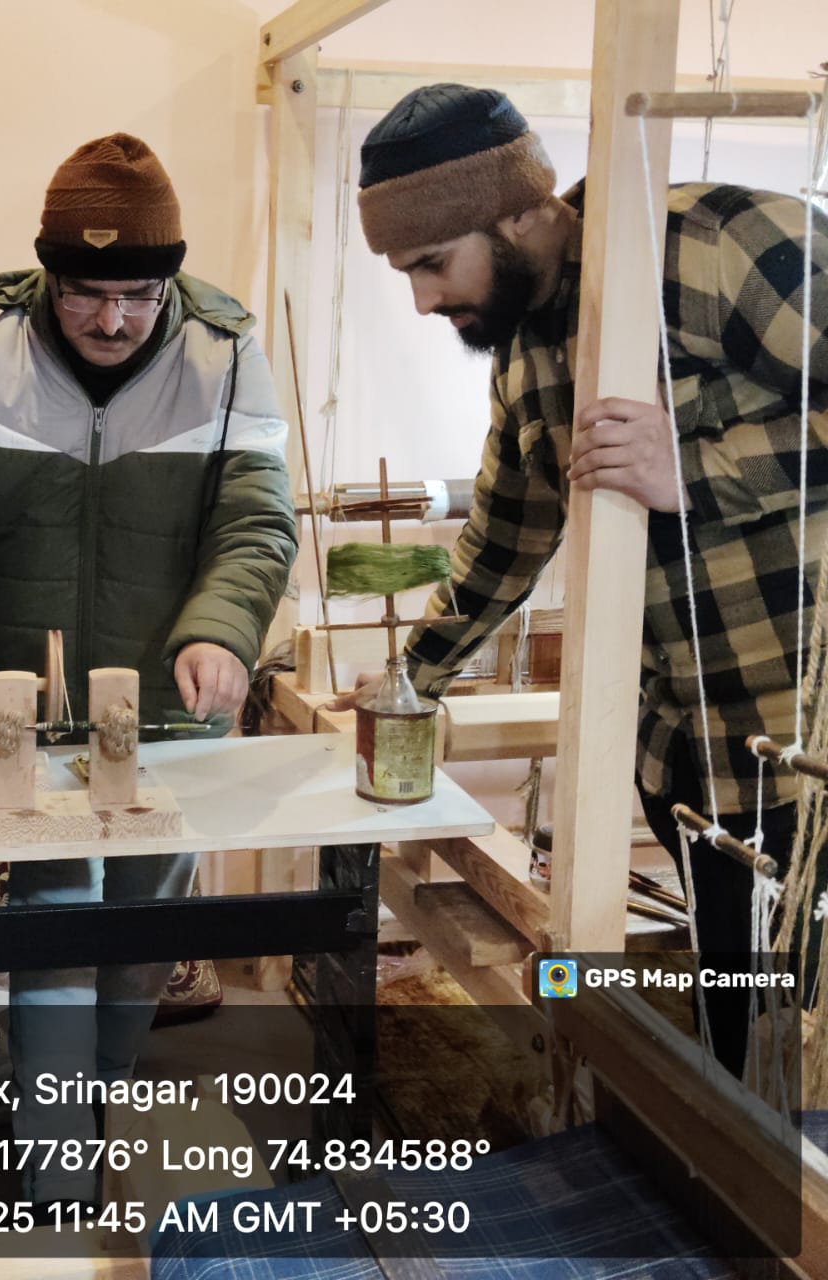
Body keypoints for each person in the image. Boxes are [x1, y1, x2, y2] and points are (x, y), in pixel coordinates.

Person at [347, 82, 828, 1077]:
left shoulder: (715, 246)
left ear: (519, 211)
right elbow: (503, 537)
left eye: (431, 263)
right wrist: (407, 683)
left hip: (810, 755)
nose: (423, 299)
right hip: (690, 761)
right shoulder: (525, 343)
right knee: (745, 1048)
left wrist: (692, 469)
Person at [0, 132, 298, 1207]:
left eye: (136, 296)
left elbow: (255, 525)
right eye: (85, 294)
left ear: (170, 283)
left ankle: (94, 1103)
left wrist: (221, 628)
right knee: (54, 920)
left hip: (173, 705)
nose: (111, 320)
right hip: (34, 710)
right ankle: (54, 1165)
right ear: (49, 275)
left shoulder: (228, 353)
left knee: (146, 928)